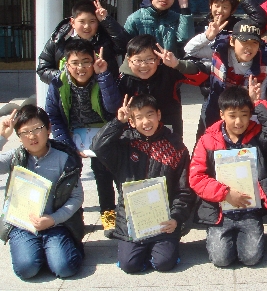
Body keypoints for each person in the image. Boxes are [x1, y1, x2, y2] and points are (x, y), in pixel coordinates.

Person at [91, 95, 195, 273]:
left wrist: (176, 218)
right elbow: (98, 147)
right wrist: (117, 122)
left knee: (164, 263)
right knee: (130, 265)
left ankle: (165, 247)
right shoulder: (124, 144)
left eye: (150, 115)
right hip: (131, 218)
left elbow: (184, 189)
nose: (146, 122)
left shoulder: (175, 145)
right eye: (138, 117)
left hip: (163, 217)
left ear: (159, 115)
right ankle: (138, 249)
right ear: (131, 121)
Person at [189, 86, 267, 267]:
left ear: (251, 114)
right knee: (221, 259)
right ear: (222, 114)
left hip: (249, 209)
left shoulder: (257, 136)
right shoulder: (208, 140)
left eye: (244, 114)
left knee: (251, 258)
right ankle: (220, 236)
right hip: (220, 210)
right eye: (232, 115)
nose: (239, 121)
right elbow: (196, 177)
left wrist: (257, 102)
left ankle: (247, 236)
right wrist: (225, 194)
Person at [45, 39, 122, 238]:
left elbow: (114, 107)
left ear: (94, 60)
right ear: (66, 63)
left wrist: (104, 75)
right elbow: (53, 115)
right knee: (69, 173)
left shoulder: (103, 76)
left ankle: (108, 213)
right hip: (73, 132)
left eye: (86, 61)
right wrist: (68, 145)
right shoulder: (58, 82)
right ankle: (75, 215)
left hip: (101, 131)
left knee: (102, 171)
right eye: (75, 63)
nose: (81, 68)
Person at [0, 106, 84, 279]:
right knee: (26, 269)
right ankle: (41, 253)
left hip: (55, 224)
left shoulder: (65, 158)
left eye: (37, 129)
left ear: (48, 128)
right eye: (25, 132)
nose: (32, 136)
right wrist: (2, 136)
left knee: (65, 268)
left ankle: (57, 251)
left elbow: (77, 197)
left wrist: (53, 219)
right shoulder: (15, 156)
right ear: (19, 136)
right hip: (22, 224)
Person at [117, 35, 207, 137]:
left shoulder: (168, 71)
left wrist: (177, 64)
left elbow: (201, 78)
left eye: (149, 59)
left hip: (169, 127)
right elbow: (113, 106)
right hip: (137, 131)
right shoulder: (124, 79)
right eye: (138, 60)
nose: (144, 65)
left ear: (158, 59)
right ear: (129, 61)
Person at [37, 0, 130, 84]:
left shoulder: (105, 37)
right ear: (73, 22)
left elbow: (125, 46)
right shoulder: (59, 39)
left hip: (103, 93)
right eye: (82, 21)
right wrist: (66, 77)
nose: (87, 26)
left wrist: (106, 20)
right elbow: (43, 68)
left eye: (92, 21)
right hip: (69, 96)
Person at [200, 20, 267, 132]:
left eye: (254, 42)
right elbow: (189, 50)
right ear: (232, 41)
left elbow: (261, 100)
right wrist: (207, 36)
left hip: (242, 115)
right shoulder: (219, 52)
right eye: (244, 41)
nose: (249, 47)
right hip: (214, 106)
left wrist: (252, 101)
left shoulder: (263, 69)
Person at [124, 0, 193, 55]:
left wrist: (184, 5)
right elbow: (126, 49)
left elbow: (186, 41)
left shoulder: (176, 18)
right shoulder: (135, 19)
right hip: (144, 66)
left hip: (170, 66)